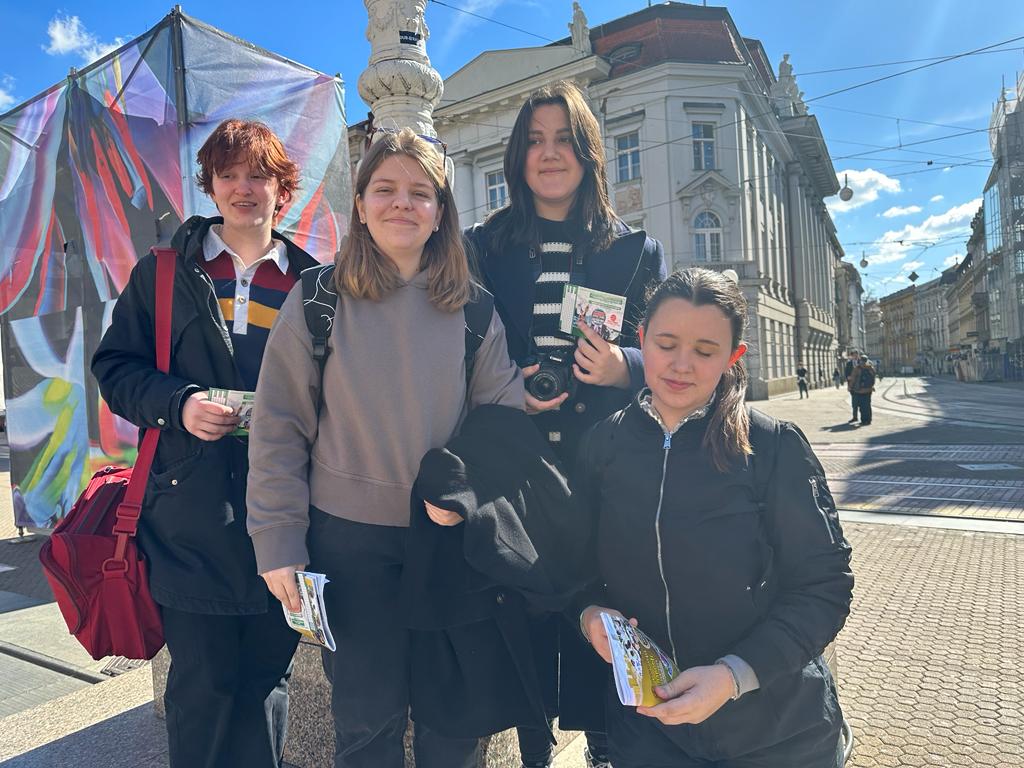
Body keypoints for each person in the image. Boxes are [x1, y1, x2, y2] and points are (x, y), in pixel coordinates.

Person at [245, 128, 524, 768]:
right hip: (349, 548)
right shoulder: (318, 299)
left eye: (420, 192)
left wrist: (466, 493)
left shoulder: (475, 310)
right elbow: (279, 426)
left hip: (448, 546)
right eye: (385, 188)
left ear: (441, 212)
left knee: (454, 724)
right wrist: (278, 541)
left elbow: (503, 426)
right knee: (366, 723)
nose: (403, 202)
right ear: (362, 204)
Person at [91, 119, 317, 768]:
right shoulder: (164, 273)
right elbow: (116, 368)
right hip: (188, 520)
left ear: (283, 189)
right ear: (210, 186)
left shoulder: (313, 283)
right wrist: (179, 403)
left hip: (284, 515)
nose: (243, 187)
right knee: (201, 688)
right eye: (228, 174)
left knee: (268, 686)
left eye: (258, 175)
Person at [573, 268, 854, 768]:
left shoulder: (772, 446)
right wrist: (589, 613)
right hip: (650, 734)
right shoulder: (603, 442)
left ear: (732, 357)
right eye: (666, 344)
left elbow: (824, 587)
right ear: (641, 340)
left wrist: (733, 676)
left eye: (705, 351)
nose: (681, 365)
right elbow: (575, 566)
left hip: (777, 732)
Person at [464, 80, 667, 768]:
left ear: (589, 153)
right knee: (521, 615)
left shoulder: (633, 250)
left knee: (603, 616)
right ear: (517, 156)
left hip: (599, 470)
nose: (549, 154)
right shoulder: (484, 246)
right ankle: (534, 750)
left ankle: (606, 747)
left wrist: (623, 366)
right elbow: (458, 344)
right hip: (513, 466)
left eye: (564, 140)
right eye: (535, 141)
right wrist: (506, 386)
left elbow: (665, 351)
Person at [851, 355, 876, 426]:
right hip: (868, 390)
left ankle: (864, 420)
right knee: (867, 405)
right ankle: (869, 420)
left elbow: (853, 379)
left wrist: (851, 387)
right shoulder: (870, 368)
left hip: (859, 390)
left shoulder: (857, 368)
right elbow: (873, 377)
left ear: (860, 360)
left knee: (862, 406)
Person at [844, 350, 859, 423]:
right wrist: (848, 378)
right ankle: (855, 417)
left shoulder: (861, 362)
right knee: (854, 402)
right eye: (854, 355)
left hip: (861, 386)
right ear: (852, 356)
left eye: (856, 355)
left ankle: (864, 417)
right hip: (852, 386)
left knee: (862, 402)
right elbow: (846, 373)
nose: (855, 357)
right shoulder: (849, 364)